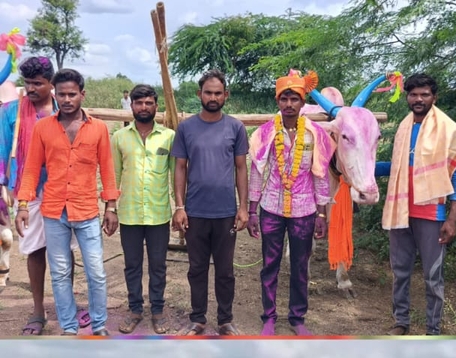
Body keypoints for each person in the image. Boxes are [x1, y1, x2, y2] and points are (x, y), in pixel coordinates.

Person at [14, 68, 117, 336]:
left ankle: (99, 325)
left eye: (72, 94)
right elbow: (32, 168)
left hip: (86, 211)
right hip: (53, 210)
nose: (67, 99)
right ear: (55, 95)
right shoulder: (43, 128)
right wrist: (23, 204)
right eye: (62, 94)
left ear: (82, 94)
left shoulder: (99, 129)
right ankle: (69, 328)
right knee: (59, 273)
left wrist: (111, 206)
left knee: (96, 272)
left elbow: (106, 169)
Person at [0, 56, 92, 336]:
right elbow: (3, 153)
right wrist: (5, 190)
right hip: (29, 194)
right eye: (27, 83)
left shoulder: (65, 110)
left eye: (37, 84)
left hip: (64, 190)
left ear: (50, 84)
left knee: (65, 252)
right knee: (35, 250)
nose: (30, 89)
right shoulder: (11, 113)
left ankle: (68, 305)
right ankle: (38, 311)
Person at [247, 70, 333, 336]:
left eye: (294, 99)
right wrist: (252, 209)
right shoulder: (265, 133)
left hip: (305, 211)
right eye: (284, 98)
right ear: (277, 101)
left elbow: (320, 173)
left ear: (302, 102)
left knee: (300, 266)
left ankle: (297, 318)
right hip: (271, 208)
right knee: (269, 265)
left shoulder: (315, 135)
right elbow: (257, 171)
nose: (289, 104)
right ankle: (269, 317)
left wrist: (321, 213)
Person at [381, 73, 456, 336]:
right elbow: (398, 167)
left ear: (434, 97)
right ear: (407, 97)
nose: (418, 99)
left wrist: (451, 219)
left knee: (433, 277)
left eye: (424, 94)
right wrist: (360, 169)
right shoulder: (403, 128)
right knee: (400, 272)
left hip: (432, 214)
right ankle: (401, 322)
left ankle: (433, 330)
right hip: (401, 210)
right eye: (414, 94)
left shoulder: (449, 130)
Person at [171, 70, 250, 336]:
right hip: (195, 212)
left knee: (225, 271)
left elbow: (241, 168)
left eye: (218, 93)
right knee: (197, 268)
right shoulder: (186, 128)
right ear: (199, 94)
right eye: (208, 92)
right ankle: (198, 318)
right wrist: (180, 207)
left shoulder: (235, 128)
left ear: (225, 95)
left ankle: (225, 320)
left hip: (226, 211)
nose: (213, 97)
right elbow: (180, 168)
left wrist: (243, 207)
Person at [111, 84, 175, 334]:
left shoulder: (169, 137)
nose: (144, 107)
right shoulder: (119, 137)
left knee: (158, 265)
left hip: (159, 214)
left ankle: (158, 310)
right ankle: (135, 309)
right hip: (129, 214)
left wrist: (180, 207)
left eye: (149, 103)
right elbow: (114, 175)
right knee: (132, 265)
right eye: (139, 103)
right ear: (132, 106)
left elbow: (175, 175)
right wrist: (111, 209)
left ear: (156, 107)